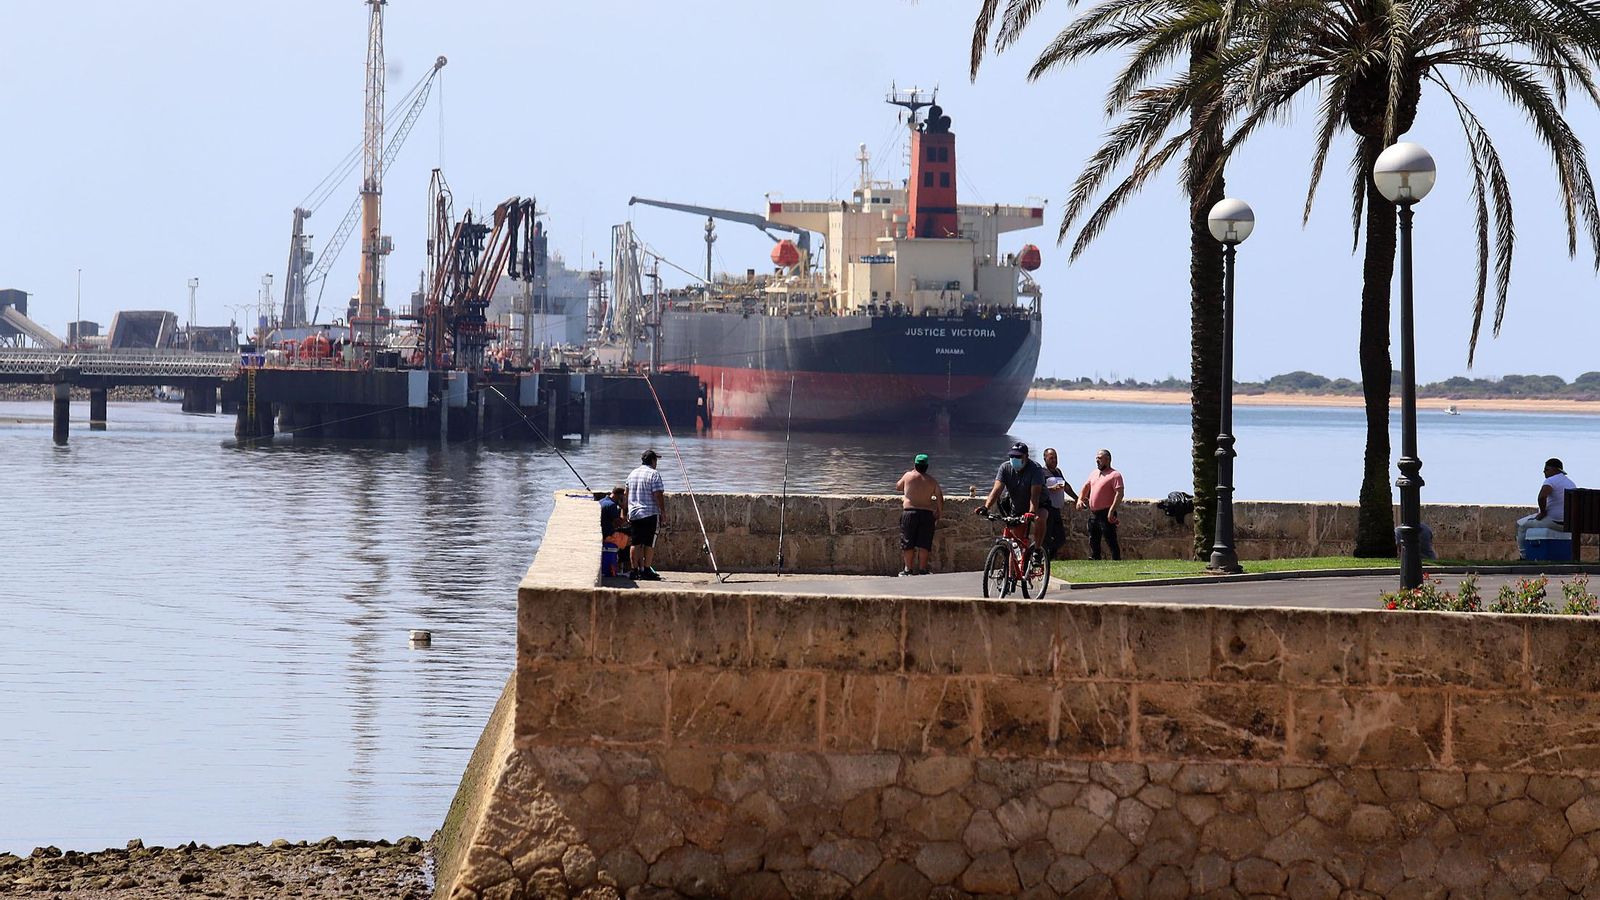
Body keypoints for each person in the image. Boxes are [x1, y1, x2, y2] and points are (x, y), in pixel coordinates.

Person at [977, 441, 1047, 555]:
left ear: (1026, 456)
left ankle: (1037, 551)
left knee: (1040, 518)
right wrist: (986, 507)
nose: (1014, 459)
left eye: (1018, 457)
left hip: (1038, 504)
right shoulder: (1005, 468)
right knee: (1015, 546)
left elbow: (1035, 495)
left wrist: (1031, 512)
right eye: (1012, 456)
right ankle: (1014, 566)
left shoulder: (1035, 469)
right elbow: (997, 490)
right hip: (1017, 505)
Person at [894, 453, 944, 576]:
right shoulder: (932, 481)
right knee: (924, 543)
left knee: (908, 541)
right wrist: (939, 511)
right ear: (927, 466)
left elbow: (898, 487)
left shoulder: (908, 476)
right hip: (926, 514)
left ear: (915, 465)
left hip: (910, 512)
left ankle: (908, 569)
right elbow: (939, 496)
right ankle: (922, 569)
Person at [1517, 457, 1577, 551]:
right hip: (1568, 524)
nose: (1544, 471)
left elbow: (1542, 497)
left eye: (1546, 469)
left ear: (1555, 469)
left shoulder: (1551, 480)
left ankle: (1523, 554)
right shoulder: (1571, 483)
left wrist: (1543, 512)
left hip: (1554, 522)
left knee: (1521, 525)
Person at [1076, 448, 1124, 561]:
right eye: (1096, 458)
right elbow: (1086, 487)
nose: (1097, 461)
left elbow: (1120, 493)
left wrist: (1111, 511)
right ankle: (1095, 557)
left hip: (1106, 512)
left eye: (1100, 458)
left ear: (1108, 459)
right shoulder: (1094, 473)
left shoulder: (1115, 475)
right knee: (1093, 538)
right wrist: (1080, 500)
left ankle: (1116, 559)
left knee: (1110, 538)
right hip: (1094, 513)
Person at [626, 450, 667, 580]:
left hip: (634, 513)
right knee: (649, 543)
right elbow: (658, 494)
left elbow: (627, 494)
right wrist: (663, 512)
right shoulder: (654, 474)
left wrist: (626, 511)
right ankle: (647, 570)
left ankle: (634, 571)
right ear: (653, 461)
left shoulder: (632, 474)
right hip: (650, 513)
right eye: (656, 461)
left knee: (635, 542)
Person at [1041, 447, 1080, 561]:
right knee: (1047, 536)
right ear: (1045, 458)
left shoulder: (1058, 471)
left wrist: (1077, 498)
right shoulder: (1041, 472)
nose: (1054, 460)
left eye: (1056, 458)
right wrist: (1051, 488)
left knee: (1060, 538)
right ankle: (1043, 558)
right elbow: (1038, 488)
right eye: (1051, 458)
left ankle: (1049, 557)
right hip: (1047, 508)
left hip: (1056, 509)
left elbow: (1066, 486)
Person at [599, 486, 631, 577]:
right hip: (608, 535)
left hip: (602, 532)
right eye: (624, 497)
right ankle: (624, 568)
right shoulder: (612, 505)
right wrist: (623, 507)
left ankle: (621, 567)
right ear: (620, 496)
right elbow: (619, 523)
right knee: (631, 540)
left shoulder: (601, 501)